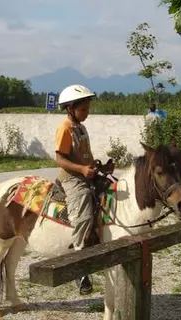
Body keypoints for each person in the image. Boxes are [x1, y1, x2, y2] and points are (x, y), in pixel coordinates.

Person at [54, 84, 113, 295]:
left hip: (86, 173)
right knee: (84, 211)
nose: (87, 113)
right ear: (70, 108)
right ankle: (78, 266)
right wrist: (81, 169)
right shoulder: (65, 128)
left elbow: (84, 155)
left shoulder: (81, 127)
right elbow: (60, 158)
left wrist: (101, 168)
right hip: (72, 179)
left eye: (88, 109)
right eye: (83, 110)